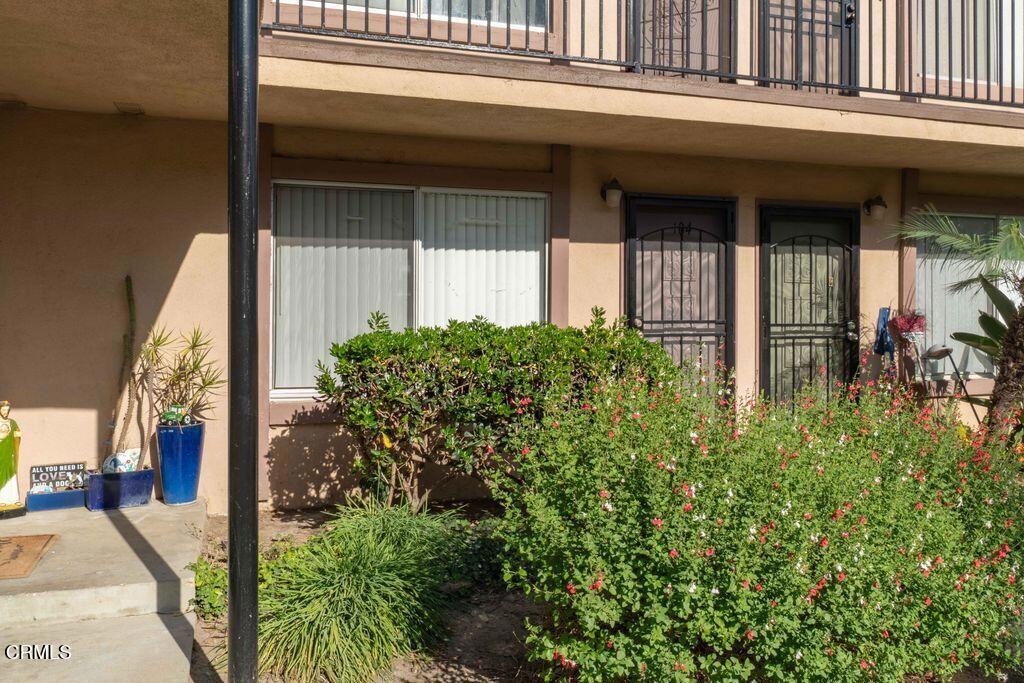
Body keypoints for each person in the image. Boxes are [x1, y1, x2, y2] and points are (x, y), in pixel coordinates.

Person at [0, 401, 25, 517]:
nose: (5, 412)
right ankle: (1, 500)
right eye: (3, 410)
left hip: (10, 453)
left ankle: (13, 499)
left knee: (12, 475)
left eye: (7, 410)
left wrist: (18, 434)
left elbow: (17, 434)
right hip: (0, 453)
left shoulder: (12, 422)